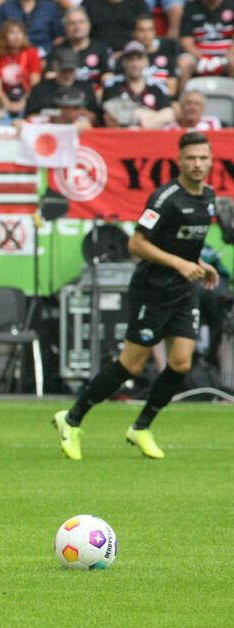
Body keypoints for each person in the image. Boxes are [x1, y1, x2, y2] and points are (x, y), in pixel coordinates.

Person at [53, 132, 220, 460]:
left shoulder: (209, 197)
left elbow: (182, 243)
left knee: (181, 362)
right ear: (180, 161)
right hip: (152, 290)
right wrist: (180, 264)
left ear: (211, 159)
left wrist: (199, 264)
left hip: (184, 291)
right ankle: (71, 419)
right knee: (131, 364)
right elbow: (137, 244)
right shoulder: (165, 198)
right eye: (191, 158)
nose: (197, 164)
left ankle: (141, 427)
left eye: (203, 158)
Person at [102, 40, 175, 128]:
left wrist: (134, 117)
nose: (135, 64)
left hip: (150, 137)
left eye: (139, 59)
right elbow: (111, 115)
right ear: (123, 62)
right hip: (123, 136)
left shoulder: (157, 86)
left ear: (146, 62)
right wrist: (150, 115)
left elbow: (169, 115)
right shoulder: (113, 85)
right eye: (131, 59)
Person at [0, 19, 43, 120]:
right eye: (12, 33)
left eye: (20, 32)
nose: (17, 36)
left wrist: (23, 103)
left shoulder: (32, 53)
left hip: (27, 97)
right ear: (4, 37)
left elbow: (35, 83)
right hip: (4, 99)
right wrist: (7, 104)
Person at [45, 8, 113, 88]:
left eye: (81, 22)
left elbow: (108, 76)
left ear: (89, 24)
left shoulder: (101, 49)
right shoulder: (57, 50)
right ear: (65, 27)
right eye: (72, 23)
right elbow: (49, 76)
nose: (77, 27)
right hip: (66, 96)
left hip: (95, 95)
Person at [25, 48, 100, 119]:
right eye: (64, 70)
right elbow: (29, 116)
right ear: (55, 68)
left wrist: (77, 111)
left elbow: (96, 118)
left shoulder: (86, 88)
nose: (67, 75)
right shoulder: (40, 89)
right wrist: (54, 113)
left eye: (71, 70)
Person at [178, 0, 234, 82]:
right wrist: (203, 58)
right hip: (199, 57)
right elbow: (186, 41)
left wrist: (223, 60)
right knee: (184, 63)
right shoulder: (191, 7)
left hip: (227, 57)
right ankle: (183, 94)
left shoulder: (231, 5)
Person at [0, 0, 64, 56]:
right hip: (13, 53)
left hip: (43, 54)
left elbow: (59, 37)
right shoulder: (6, 7)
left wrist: (49, 55)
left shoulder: (49, 7)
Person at [132, 12, 180, 96]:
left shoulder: (166, 56)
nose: (146, 35)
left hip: (162, 103)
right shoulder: (129, 58)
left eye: (150, 30)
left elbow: (172, 90)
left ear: (155, 32)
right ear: (134, 33)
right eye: (141, 30)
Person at [83, 0, 152, 52]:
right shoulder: (89, 3)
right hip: (96, 53)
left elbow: (147, 28)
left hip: (132, 54)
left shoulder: (137, 3)